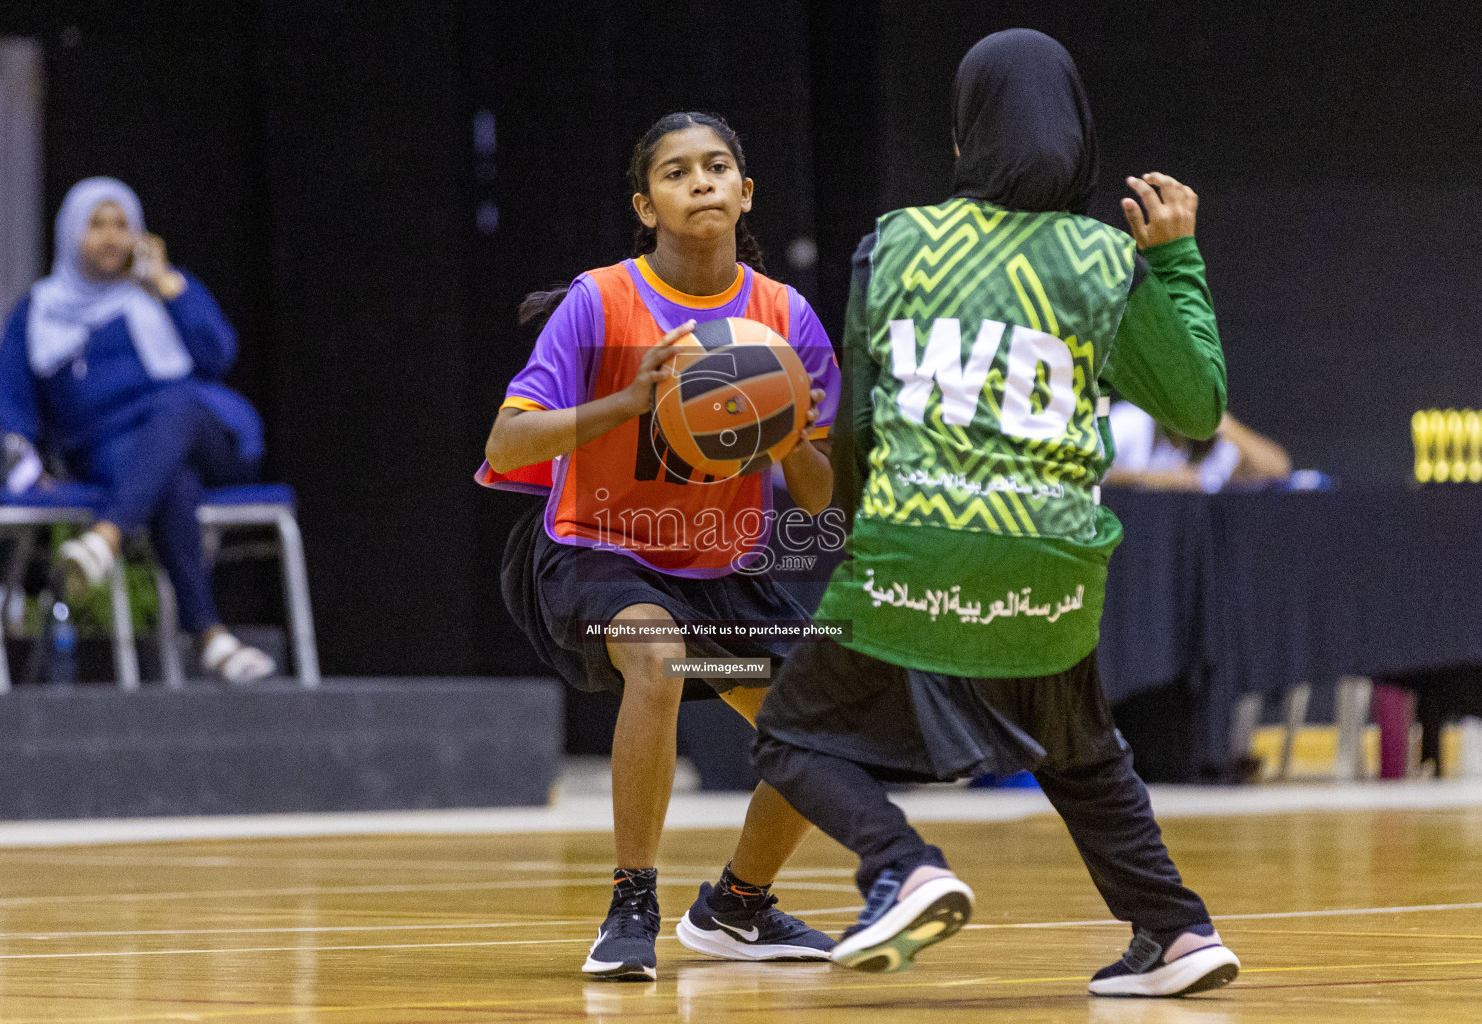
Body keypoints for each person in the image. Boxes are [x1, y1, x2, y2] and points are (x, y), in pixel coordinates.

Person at [751, 29, 1241, 996]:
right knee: (1080, 749)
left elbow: (858, 422)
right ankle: (1178, 933)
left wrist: (853, 542)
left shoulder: (895, 242)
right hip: (1053, 561)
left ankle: (900, 865)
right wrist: (1177, 260)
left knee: (790, 732)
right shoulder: (1107, 261)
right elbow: (1197, 410)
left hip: (919, 543)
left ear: (966, 127)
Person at [480, 112, 841, 982]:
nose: (703, 181)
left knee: (828, 729)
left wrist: (792, 436)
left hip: (721, 563)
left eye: (718, 167)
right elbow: (504, 446)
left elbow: (823, 493)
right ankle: (631, 899)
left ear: (746, 192)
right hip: (595, 550)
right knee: (659, 654)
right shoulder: (600, 303)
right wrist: (624, 405)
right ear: (646, 207)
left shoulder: (784, 315)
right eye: (678, 173)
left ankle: (738, 907)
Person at [0, 177, 275, 683]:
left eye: (122, 225)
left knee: (178, 405)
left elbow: (219, 355)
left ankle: (106, 532)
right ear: (70, 232)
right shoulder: (39, 311)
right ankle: (210, 634)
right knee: (171, 481)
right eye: (96, 224)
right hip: (110, 450)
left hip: (207, 436)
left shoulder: (161, 289)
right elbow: (9, 402)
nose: (111, 238)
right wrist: (26, 467)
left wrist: (168, 287)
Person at [1106, 399, 1291, 491]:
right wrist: (1152, 479)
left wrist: (1223, 422)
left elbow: (1279, 469)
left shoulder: (1210, 438)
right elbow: (1082, 472)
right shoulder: (1130, 421)